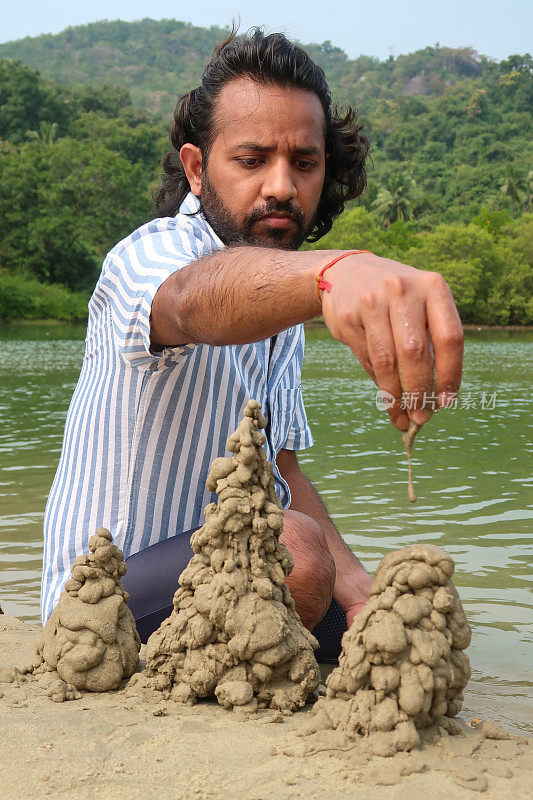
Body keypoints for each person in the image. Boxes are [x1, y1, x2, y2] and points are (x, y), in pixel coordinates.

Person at [40, 28, 463, 660]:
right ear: (195, 168)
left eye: (305, 162)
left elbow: (280, 470)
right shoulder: (147, 257)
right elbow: (193, 301)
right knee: (293, 551)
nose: (282, 187)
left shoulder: (284, 309)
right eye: (251, 160)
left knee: (406, 620)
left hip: (221, 580)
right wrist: (335, 273)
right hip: (99, 609)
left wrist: (360, 590)